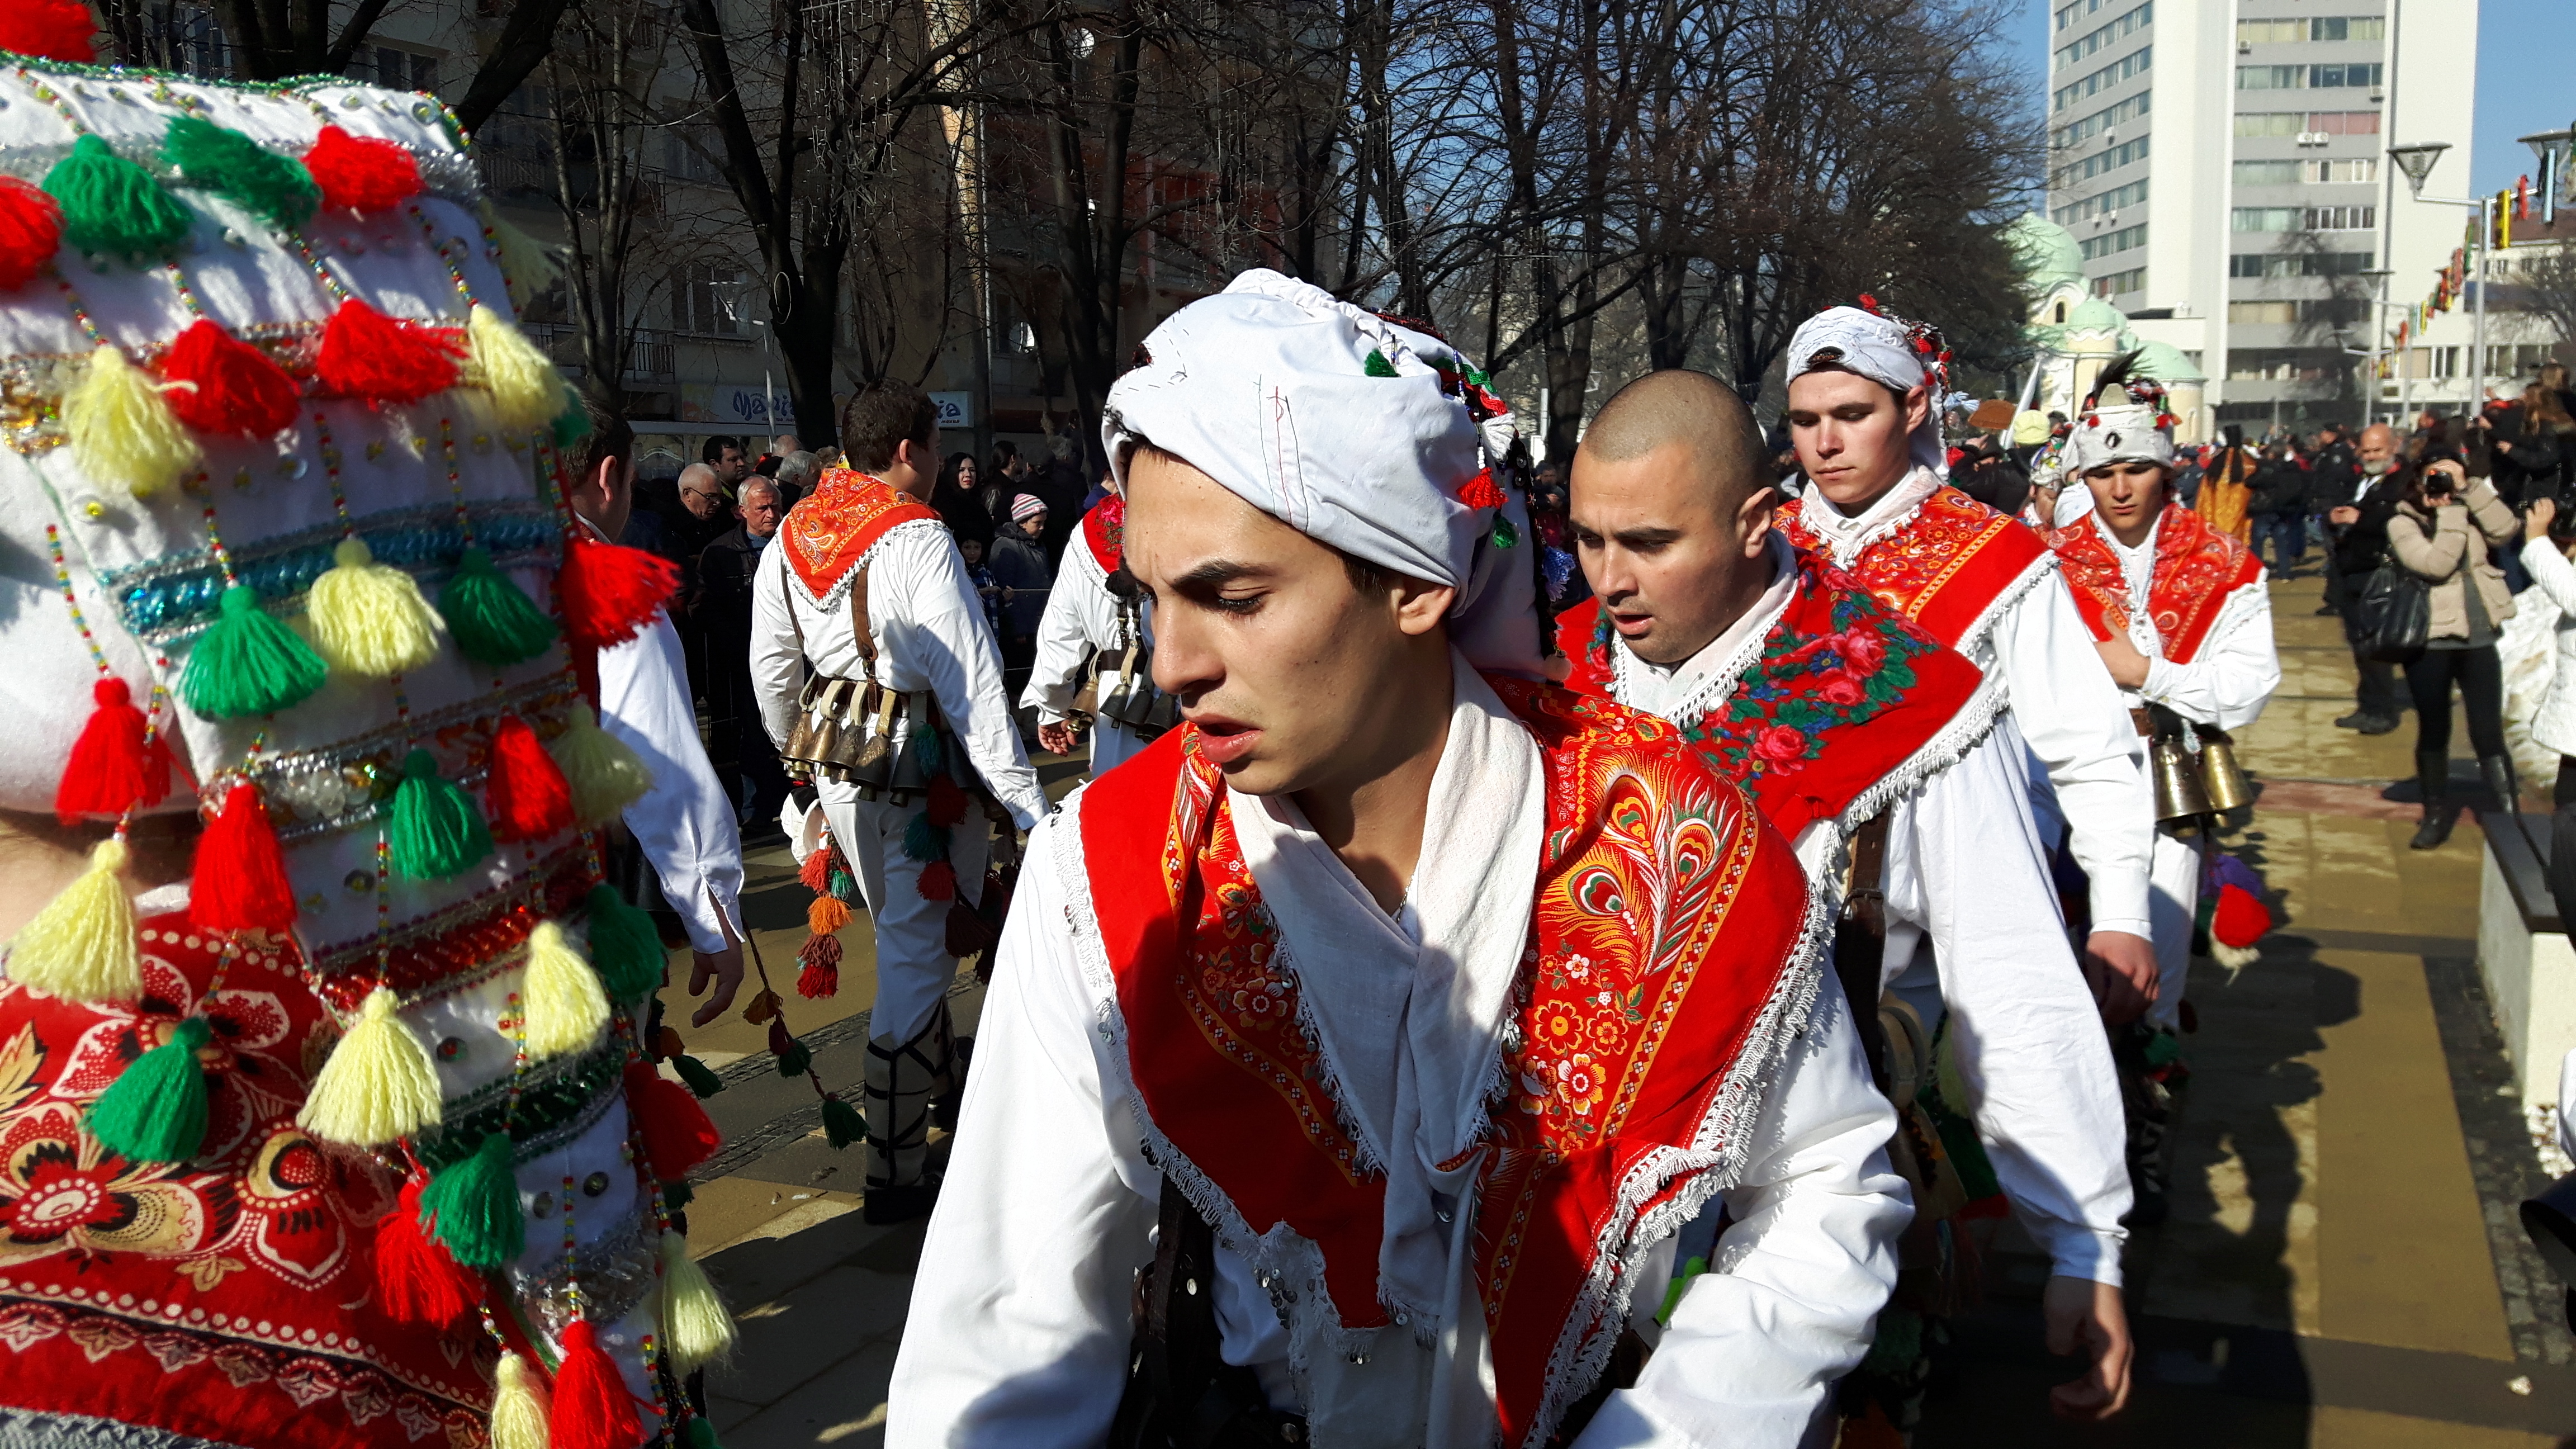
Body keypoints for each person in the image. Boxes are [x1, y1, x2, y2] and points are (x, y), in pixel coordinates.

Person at [890, 270, 1906, 1447]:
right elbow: (1005, 1333)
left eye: (1231, 595)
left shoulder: (1670, 835)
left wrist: (1675, 1429)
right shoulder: (1109, 879)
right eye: (1153, 597)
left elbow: (1831, 1176)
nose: (1172, 662)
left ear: (1418, 582)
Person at [1559, 370, 2135, 1426]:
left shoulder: (1904, 707)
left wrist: (2081, 1235)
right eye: (1589, 541)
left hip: (1797, 1225)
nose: (1609, 580)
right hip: (1569, 1230)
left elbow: (2005, 969)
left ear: (1752, 522)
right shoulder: (1558, 679)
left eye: (1647, 542)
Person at [1770, 302, 2162, 1024]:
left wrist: (2122, 911)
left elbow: (2087, 744)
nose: (1824, 443)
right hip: (1775, 913)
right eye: (1803, 421)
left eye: (1853, 414)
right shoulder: (1764, 549)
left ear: (1914, 404)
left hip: (1956, 917)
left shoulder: (1998, 558)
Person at [752, 386, 1048, 1221]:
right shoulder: (916, 533)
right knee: (919, 956)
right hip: (921, 779)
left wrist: (800, 772)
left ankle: (942, 1099)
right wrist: (1026, 806)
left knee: (902, 937)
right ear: (912, 450)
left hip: (842, 771)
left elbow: (773, 672)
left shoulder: (794, 533)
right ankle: (894, 1172)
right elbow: (971, 679)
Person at [2035, 358, 2280, 1210]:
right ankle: (2076, 1142)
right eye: (2101, 472)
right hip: (2060, 789)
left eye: (2134, 467)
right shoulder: (2047, 565)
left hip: (2166, 790)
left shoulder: (2224, 563)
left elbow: (2248, 683)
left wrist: (2150, 672)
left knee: (2155, 966)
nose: (2119, 488)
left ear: (2166, 464)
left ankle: (2145, 1132)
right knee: (2063, 961)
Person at [2386, 454, 2521, 848]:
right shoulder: (2403, 521)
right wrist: (2448, 515)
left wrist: (2470, 490)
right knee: (2435, 729)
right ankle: (2434, 813)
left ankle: (2510, 811)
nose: (2444, 481)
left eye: (2451, 472)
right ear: (2418, 479)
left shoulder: (2468, 506)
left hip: (2478, 635)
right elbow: (2436, 565)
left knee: (2487, 730)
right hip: (2430, 640)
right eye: (2436, 474)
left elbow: (2506, 530)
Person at [1022, 491, 1160, 774]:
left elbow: (1060, 635)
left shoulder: (1088, 532)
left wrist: (1052, 709)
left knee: (1119, 804)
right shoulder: (1186, 514)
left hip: (1116, 692)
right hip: (1183, 692)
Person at [700, 478, 790, 830]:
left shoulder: (794, 545)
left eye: (775, 507)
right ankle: (755, 811)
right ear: (742, 511)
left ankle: (792, 804)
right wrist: (743, 647)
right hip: (741, 662)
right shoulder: (721, 553)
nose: (771, 515)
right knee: (748, 737)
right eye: (762, 508)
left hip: (791, 657)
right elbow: (707, 608)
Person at [2326, 424, 2411, 735]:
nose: (2372, 456)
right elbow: (2333, 504)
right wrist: (2332, 518)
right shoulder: (2357, 478)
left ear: (2393, 448)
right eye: (2366, 451)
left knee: (2376, 645)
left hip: (2378, 570)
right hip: (2350, 568)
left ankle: (2382, 711)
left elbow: (2400, 520)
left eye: (2378, 450)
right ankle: (2367, 705)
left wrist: (2361, 520)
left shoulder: (2403, 481)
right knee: (2359, 643)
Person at [986, 494, 1053, 673]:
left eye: (1043, 522)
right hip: (1019, 629)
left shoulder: (1038, 546)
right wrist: (1017, 629)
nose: (1042, 527)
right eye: (1037, 523)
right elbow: (1004, 591)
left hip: (1037, 623)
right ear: (1022, 522)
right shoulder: (1005, 547)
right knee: (1020, 673)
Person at [2309, 423, 2359, 617]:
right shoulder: (2328, 452)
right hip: (2327, 505)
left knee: (2337, 554)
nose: (2321, 436)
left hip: (2335, 507)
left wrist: (2336, 505)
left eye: (2324, 433)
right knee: (2333, 554)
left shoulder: (2338, 453)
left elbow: (2339, 479)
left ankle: (2338, 599)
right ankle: (2335, 597)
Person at [2247, 442, 2309, 577]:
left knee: (2258, 542)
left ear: (2272, 453)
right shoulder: (2292, 468)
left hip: (2264, 508)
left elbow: (2251, 482)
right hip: (2283, 509)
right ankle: (2285, 573)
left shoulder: (2267, 468)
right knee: (2281, 542)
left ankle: (2257, 573)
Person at [2195, 428, 2257, 543]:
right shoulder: (2249, 463)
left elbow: (2205, 493)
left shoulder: (2216, 462)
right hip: (2239, 511)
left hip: (2215, 512)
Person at [934, 451, 995, 550]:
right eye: (961, 470)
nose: (968, 474)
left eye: (972, 470)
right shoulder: (943, 503)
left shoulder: (979, 503)